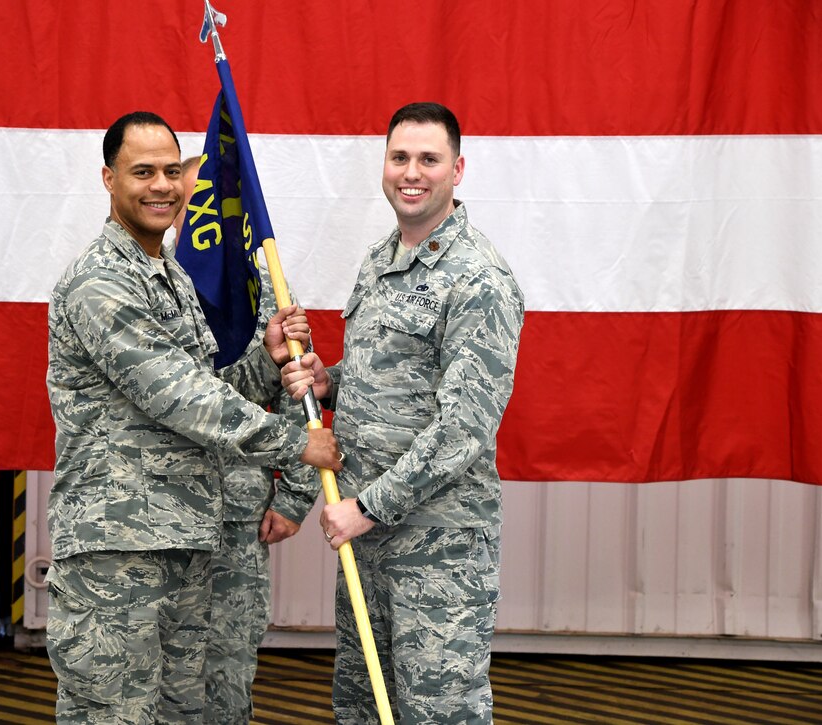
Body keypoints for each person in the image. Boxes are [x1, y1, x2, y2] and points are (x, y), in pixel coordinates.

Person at [45, 111, 341, 725]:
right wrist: (293, 444)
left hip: (185, 538)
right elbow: (177, 395)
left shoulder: (171, 276)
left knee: (190, 712)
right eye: (142, 171)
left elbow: (208, 386)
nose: (162, 185)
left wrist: (267, 358)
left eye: (171, 171)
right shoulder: (101, 282)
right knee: (113, 714)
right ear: (108, 178)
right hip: (118, 549)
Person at [281, 102, 525, 724]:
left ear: (457, 169)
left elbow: (463, 428)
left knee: (437, 712)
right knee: (364, 709)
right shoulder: (379, 261)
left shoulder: (479, 278)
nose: (410, 172)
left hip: (436, 546)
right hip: (366, 541)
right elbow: (386, 388)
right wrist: (326, 382)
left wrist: (365, 509)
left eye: (428, 159)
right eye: (399, 158)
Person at [173, 156, 322, 724]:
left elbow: (300, 395)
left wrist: (293, 499)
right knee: (160, 671)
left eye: (215, 206)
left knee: (225, 673)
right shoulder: (152, 291)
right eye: (194, 205)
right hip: (163, 511)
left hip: (238, 517)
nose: (202, 218)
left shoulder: (266, 293)